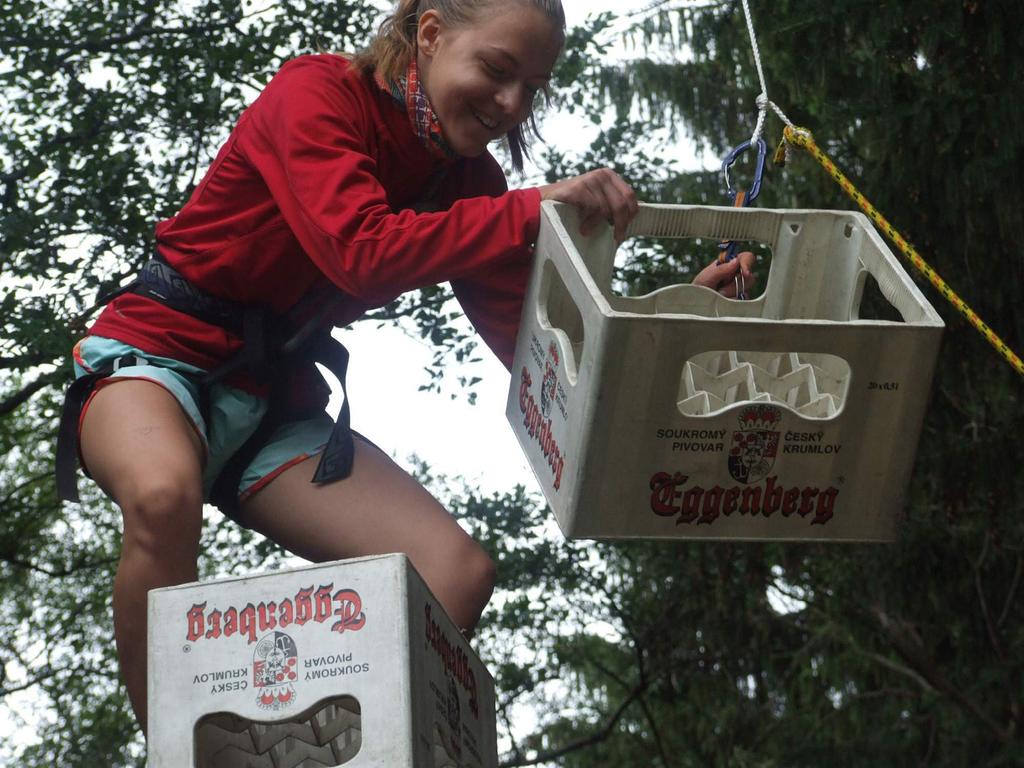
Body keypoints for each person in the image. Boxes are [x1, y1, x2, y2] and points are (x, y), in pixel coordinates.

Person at [58, 0, 754, 734]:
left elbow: (543, 345)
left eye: (534, 88)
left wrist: (666, 322)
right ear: (429, 34)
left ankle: (326, 747)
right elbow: (359, 251)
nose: (512, 104)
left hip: (271, 411)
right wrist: (532, 208)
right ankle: (170, 749)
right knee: (163, 494)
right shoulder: (316, 96)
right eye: (496, 69)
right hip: (155, 361)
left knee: (454, 574)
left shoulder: (467, 183)